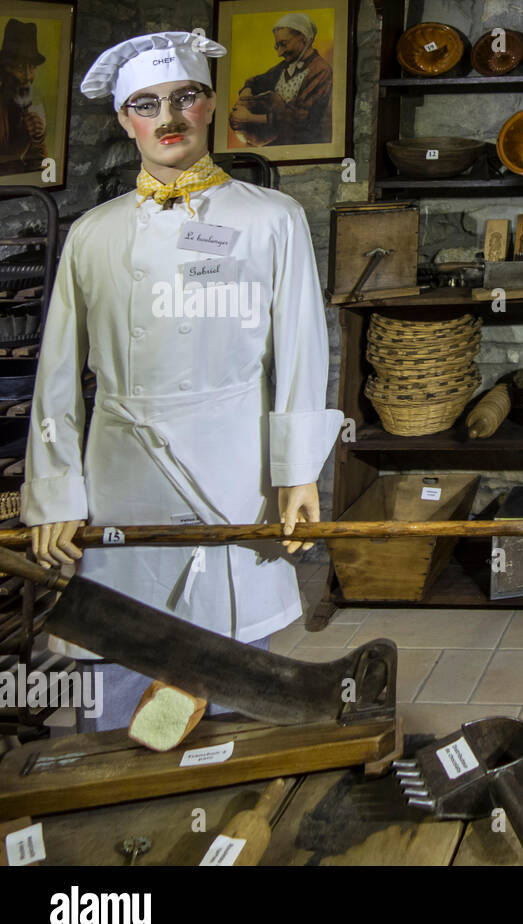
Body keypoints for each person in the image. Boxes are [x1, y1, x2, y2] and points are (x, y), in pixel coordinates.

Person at [21, 31, 342, 732]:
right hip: (120, 472)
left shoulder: (271, 219)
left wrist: (296, 473)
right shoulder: (93, 235)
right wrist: (53, 491)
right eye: (145, 104)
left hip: (229, 467)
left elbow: (300, 352)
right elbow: (55, 377)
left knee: (231, 672)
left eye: (184, 97)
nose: (167, 118)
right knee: (115, 660)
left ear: (211, 106)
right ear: (124, 121)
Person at [229, 13, 332, 147]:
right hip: (273, 143)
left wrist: (250, 118)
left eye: (283, 44)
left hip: (299, 147)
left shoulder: (321, 70)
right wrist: (246, 96)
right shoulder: (284, 67)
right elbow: (255, 82)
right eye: (277, 46)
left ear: (304, 39)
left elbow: (298, 117)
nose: (280, 53)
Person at [0, 19, 48, 171]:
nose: (28, 76)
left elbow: (42, 167)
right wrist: (22, 140)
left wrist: (37, 138)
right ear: (4, 69)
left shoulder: (33, 104)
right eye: (20, 68)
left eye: (32, 68)